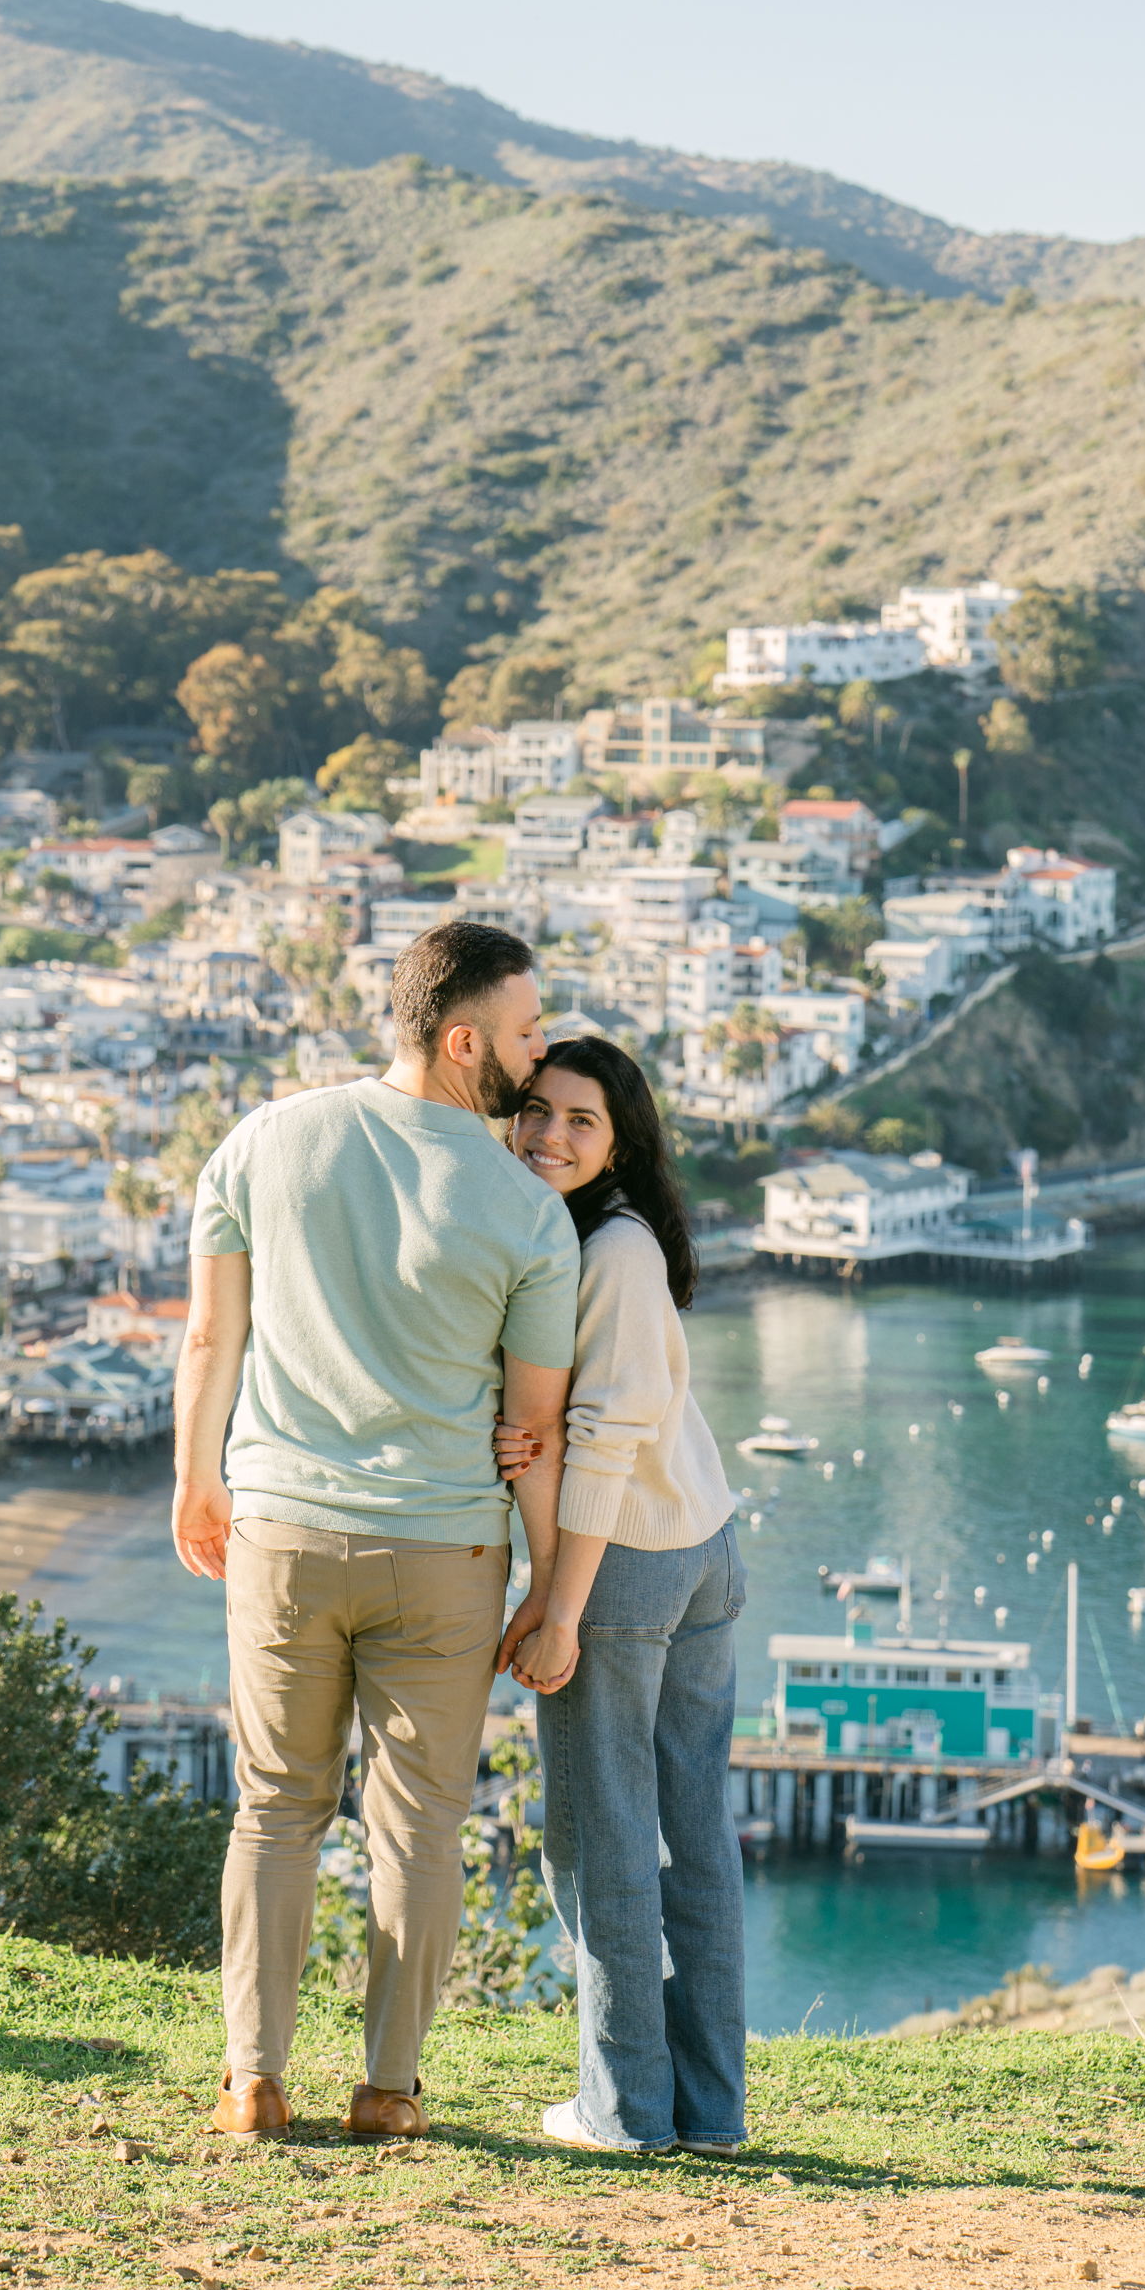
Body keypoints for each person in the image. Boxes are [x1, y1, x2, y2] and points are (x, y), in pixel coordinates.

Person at [172, 922, 580, 2143]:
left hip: (282, 1533)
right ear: (462, 1042)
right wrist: (547, 1583)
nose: (539, 1049)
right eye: (523, 1031)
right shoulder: (526, 1214)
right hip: (444, 1552)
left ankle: (251, 2076)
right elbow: (534, 1429)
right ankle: (389, 2089)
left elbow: (209, 1342)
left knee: (276, 1806)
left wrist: (196, 1484)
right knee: (417, 1824)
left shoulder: (260, 1141)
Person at [496, 1036, 747, 2157]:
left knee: (598, 1844)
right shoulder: (607, 1241)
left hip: (626, 1566)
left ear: (620, 1140)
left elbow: (600, 1444)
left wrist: (557, 1602)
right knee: (691, 1838)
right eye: (534, 1110)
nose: (549, 1133)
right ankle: (707, 2111)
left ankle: (628, 2109)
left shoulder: (611, 1252)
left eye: (579, 1120)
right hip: (701, 1546)